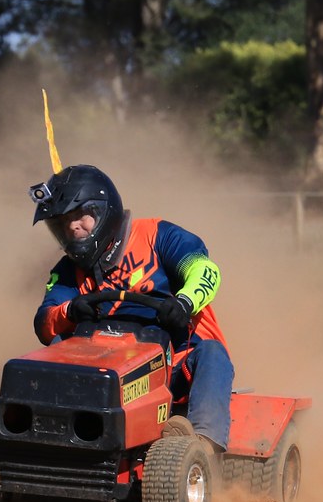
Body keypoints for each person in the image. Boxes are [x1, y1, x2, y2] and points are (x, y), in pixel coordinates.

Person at [30, 164, 235, 452]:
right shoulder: (67, 270)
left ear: (102, 212)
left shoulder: (157, 235)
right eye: (64, 222)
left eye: (79, 217)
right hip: (101, 369)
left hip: (173, 364)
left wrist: (184, 302)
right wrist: (70, 312)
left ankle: (202, 447)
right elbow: (44, 323)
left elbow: (205, 270)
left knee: (213, 353)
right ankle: (44, 436)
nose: (73, 227)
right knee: (55, 347)